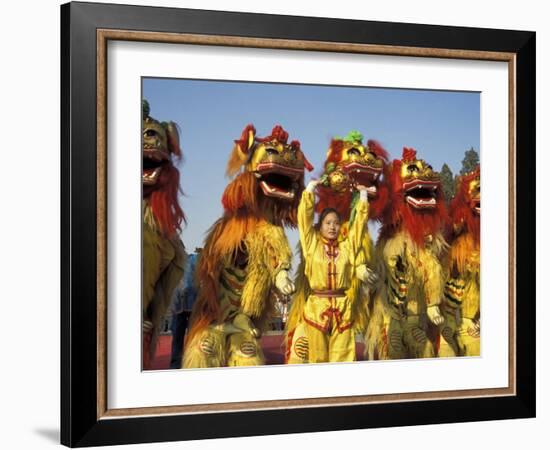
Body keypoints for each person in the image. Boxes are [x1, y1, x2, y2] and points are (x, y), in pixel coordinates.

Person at [296, 179, 372, 363]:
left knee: (343, 359)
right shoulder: (311, 244)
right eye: (328, 223)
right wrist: (310, 189)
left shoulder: (347, 247)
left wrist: (363, 196)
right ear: (320, 226)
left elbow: (358, 229)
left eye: (336, 223)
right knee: (318, 359)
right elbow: (304, 220)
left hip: (343, 309)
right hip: (316, 308)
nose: (332, 227)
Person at [169, 248, 201, 369]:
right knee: (177, 336)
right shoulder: (172, 262)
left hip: (193, 303)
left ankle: (192, 362)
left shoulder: (195, 259)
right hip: (178, 305)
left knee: (194, 337)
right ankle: (175, 365)